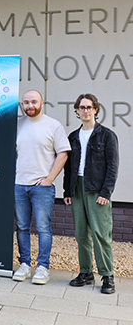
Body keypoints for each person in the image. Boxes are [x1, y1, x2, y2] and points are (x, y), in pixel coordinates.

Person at [13, 89, 70, 284]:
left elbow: (63, 153)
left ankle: (43, 267)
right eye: (26, 102)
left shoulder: (53, 125)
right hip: (19, 185)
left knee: (43, 228)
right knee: (22, 227)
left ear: (42, 103)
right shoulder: (16, 124)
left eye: (34, 102)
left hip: (42, 187)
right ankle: (25, 264)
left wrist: (49, 179)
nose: (30, 106)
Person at [64, 93, 119, 294]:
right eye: (82, 107)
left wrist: (106, 192)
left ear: (96, 109)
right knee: (81, 234)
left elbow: (113, 167)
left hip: (97, 190)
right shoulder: (73, 137)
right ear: (77, 111)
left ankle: (107, 275)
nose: (85, 111)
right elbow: (68, 168)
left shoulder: (106, 135)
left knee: (100, 233)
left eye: (89, 107)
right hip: (77, 189)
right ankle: (86, 272)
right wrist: (67, 191)